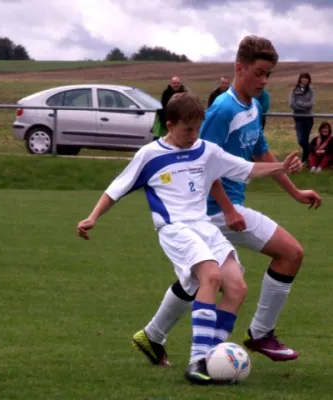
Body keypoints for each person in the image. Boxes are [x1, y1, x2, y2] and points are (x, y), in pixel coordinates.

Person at [77, 92, 303, 385]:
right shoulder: (149, 155)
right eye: (187, 130)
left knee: (236, 287)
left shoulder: (206, 150)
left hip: (203, 227)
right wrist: (93, 217)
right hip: (175, 228)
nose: (193, 136)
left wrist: (281, 166)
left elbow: (246, 168)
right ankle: (198, 361)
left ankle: (211, 358)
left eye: (197, 129)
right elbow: (115, 189)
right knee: (210, 275)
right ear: (169, 125)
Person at [132, 35, 322, 367]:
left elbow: (261, 151)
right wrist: (229, 209)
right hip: (210, 212)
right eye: (258, 73)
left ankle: (155, 336)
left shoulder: (254, 104)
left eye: (268, 75)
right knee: (287, 254)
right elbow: (202, 161)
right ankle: (256, 335)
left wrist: (295, 192)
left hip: (226, 209)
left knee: (198, 279)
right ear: (239, 68)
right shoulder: (222, 110)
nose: (263, 81)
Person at [290, 72, 315, 163]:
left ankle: (305, 160)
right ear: (300, 79)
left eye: (306, 78)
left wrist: (300, 103)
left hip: (308, 118)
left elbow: (311, 104)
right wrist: (304, 106)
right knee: (301, 140)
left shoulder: (311, 91)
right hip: (298, 118)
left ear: (309, 80)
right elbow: (292, 104)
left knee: (305, 138)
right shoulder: (294, 90)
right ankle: (312, 150)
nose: (304, 80)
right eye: (303, 78)